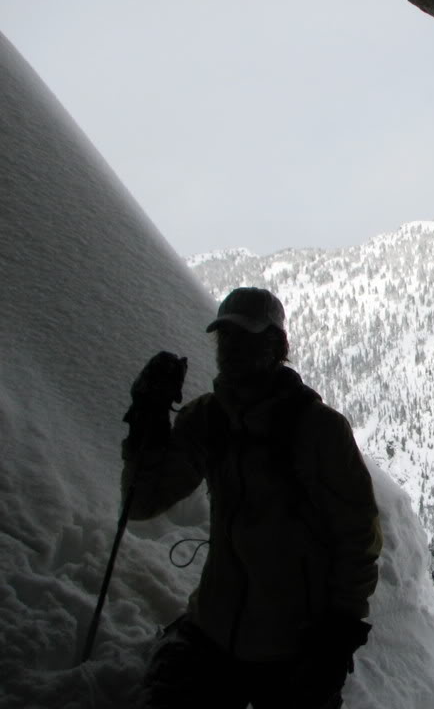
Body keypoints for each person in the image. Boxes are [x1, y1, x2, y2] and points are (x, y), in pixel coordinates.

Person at [121, 287, 382, 709]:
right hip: (214, 630)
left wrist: (339, 631)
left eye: (247, 338)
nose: (233, 349)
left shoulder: (319, 431)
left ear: (277, 346)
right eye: (226, 338)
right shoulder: (207, 419)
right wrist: (145, 429)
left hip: (294, 644)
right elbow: (142, 502)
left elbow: (358, 540)